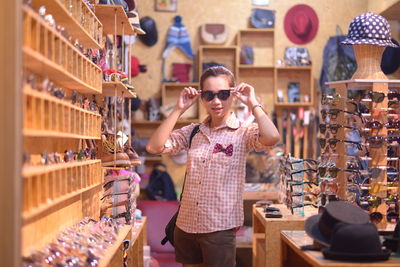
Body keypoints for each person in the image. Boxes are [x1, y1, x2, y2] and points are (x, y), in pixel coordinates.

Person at [146, 66, 280, 267]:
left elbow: (272, 138)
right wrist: (178, 109)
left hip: (219, 228)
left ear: (233, 94)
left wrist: (253, 103)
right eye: (209, 95)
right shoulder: (193, 132)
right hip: (186, 225)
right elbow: (153, 146)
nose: (216, 101)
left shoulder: (243, 133)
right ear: (201, 97)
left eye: (223, 94)